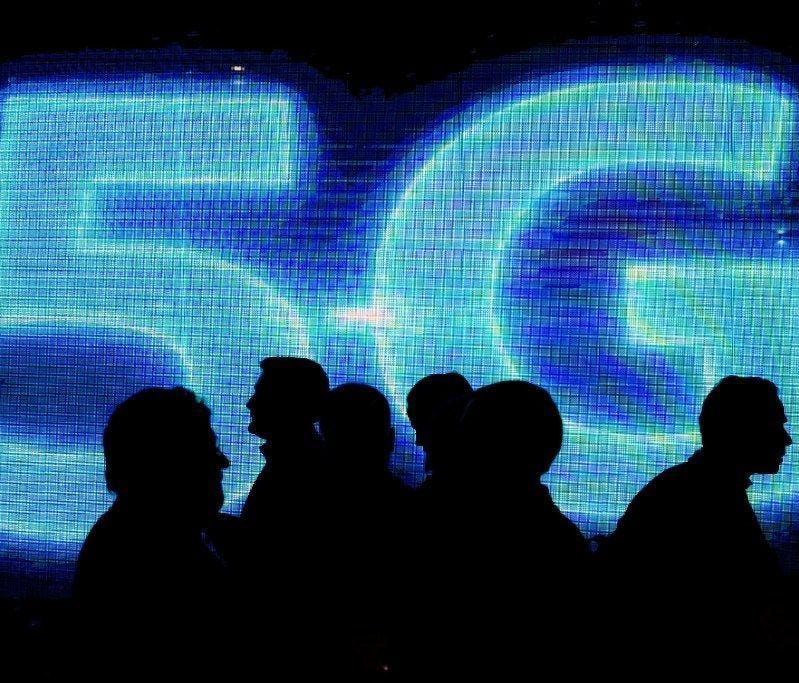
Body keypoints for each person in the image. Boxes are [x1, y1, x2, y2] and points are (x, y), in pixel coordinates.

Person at [605, 375, 791, 661]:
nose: (786, 439)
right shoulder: (708, 501)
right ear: (743, 431)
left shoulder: (686, 490)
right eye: (776, 426)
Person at [73, 387, 231, 677]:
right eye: (206, 448)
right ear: (168, 466)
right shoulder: (156, 555)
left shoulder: (126, 538)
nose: (223, 461)